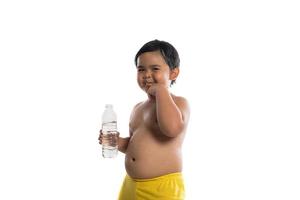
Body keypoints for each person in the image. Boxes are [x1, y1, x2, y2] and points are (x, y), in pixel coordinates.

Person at [99, 39, 190, 200]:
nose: (147, 75)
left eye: (155, 69)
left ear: (174, 73)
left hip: (161, 188)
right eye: (141, 69)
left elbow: (171, 128)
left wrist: (162, 91)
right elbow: (134, 145)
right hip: (130, 184)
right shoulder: (138, 108)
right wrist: (116, 142)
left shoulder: (179, 103)